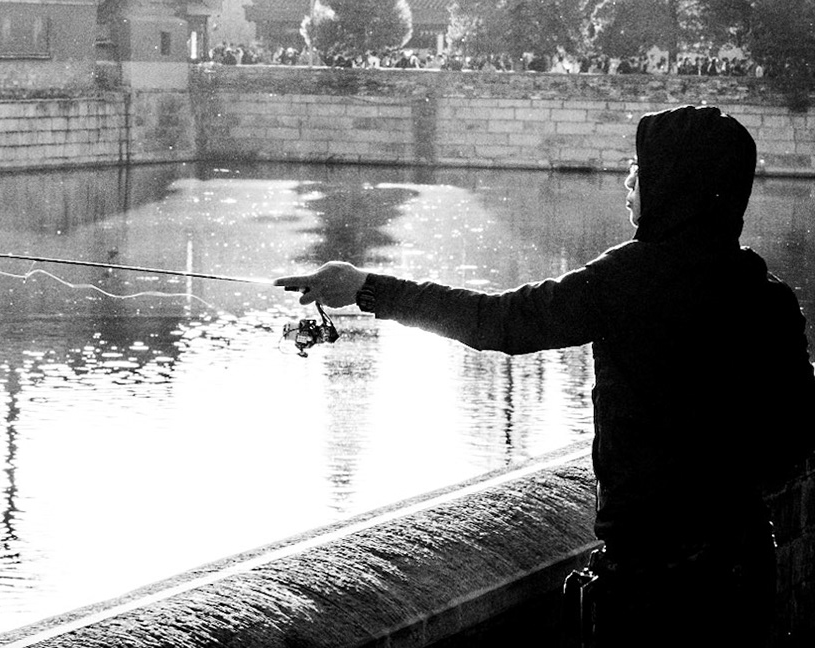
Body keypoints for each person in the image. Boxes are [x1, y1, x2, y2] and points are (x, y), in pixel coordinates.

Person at [277, 105, 815, 646]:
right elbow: (791, 444)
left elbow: (500, 322)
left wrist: (368, 288)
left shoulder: (628, 280)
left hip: (654, 588)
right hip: (742, 570)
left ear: (677, 183)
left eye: (641, 167)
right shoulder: (767, 296)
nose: (629, 178)